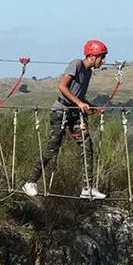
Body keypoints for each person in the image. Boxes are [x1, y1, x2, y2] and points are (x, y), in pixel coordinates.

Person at [22, 40, 109, 199]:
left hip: (74, 113)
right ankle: (30, 182)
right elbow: (62, 87)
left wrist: (90, 106)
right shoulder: (76, 64)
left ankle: (87, 187)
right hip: (61, 111)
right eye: (101, 57)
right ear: (91, 56)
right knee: (52, 148)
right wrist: (79, 103)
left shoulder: (88, 72)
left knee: (86, 145)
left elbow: (78, 96)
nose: (103, 61)